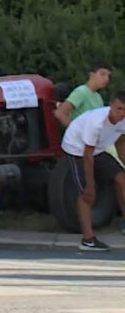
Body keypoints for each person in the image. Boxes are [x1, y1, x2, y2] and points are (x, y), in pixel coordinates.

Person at [59, 93, 125, 251]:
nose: (121, 113)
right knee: (87, 194)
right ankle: (87, 240)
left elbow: (120, 144)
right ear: (110, 105)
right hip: (77, 149)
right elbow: (87, 156)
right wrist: (90, 184)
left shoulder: (123, 120)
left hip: (98, 149)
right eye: (119, 108)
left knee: (122, 179)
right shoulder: (97, 122)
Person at [55, 62, 112, 127]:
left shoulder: (99, 98)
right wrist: (75, 130)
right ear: (92, 74)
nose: (106, 79)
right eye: (102, 74)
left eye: (108, 76)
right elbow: (60, 113)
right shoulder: (81, 92)